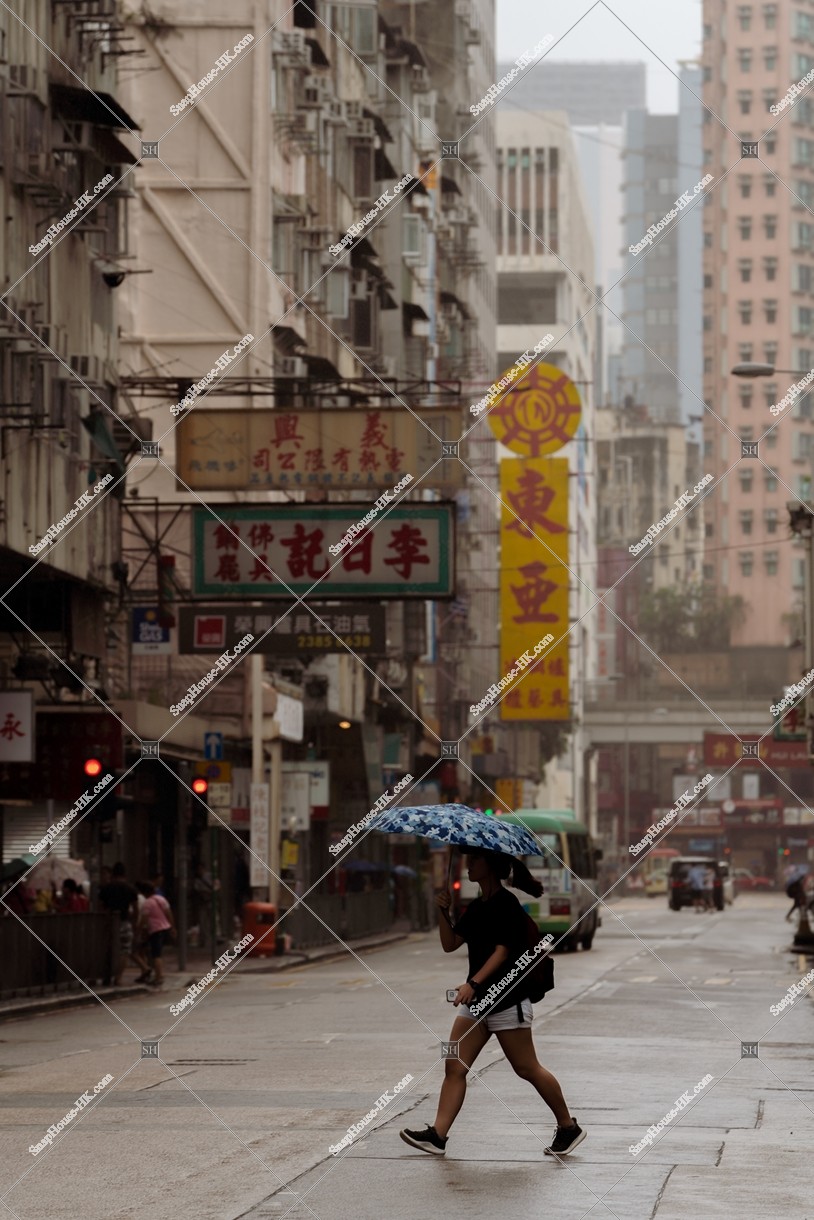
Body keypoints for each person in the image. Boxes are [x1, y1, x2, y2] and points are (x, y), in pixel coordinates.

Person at [400, 847, 586, 1159]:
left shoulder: (506, 904)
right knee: (454, 1064)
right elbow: (450, 944)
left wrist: (473, 983)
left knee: (526, 1068)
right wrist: (442, 911)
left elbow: (502, 952)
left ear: (489, 865)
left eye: (474, 860)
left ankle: (568, 1127)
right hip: (477, 1003)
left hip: (506, 998)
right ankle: (438, 1135)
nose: (468, 866)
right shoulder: (477, 907)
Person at [99, 862, 142, 985]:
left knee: (107, 950)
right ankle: (118, 978)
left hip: (109, 922)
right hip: (124, 922)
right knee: (124, 950)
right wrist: (134, 923)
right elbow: (136, 909)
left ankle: (106, 977)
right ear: (125, 874)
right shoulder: (130, 889)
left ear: (113, 873)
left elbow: (100, 906)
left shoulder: (106, 888)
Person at [137, 882, 176, 988]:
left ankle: (159, 976)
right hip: (164, 928)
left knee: (156, 954)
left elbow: (144, 919)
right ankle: (157, 974)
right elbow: (169, 913)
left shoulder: (147, 903)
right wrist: (172, 927)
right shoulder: (161, 899)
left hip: (155, 929)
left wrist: (139, 930)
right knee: (156, 953)